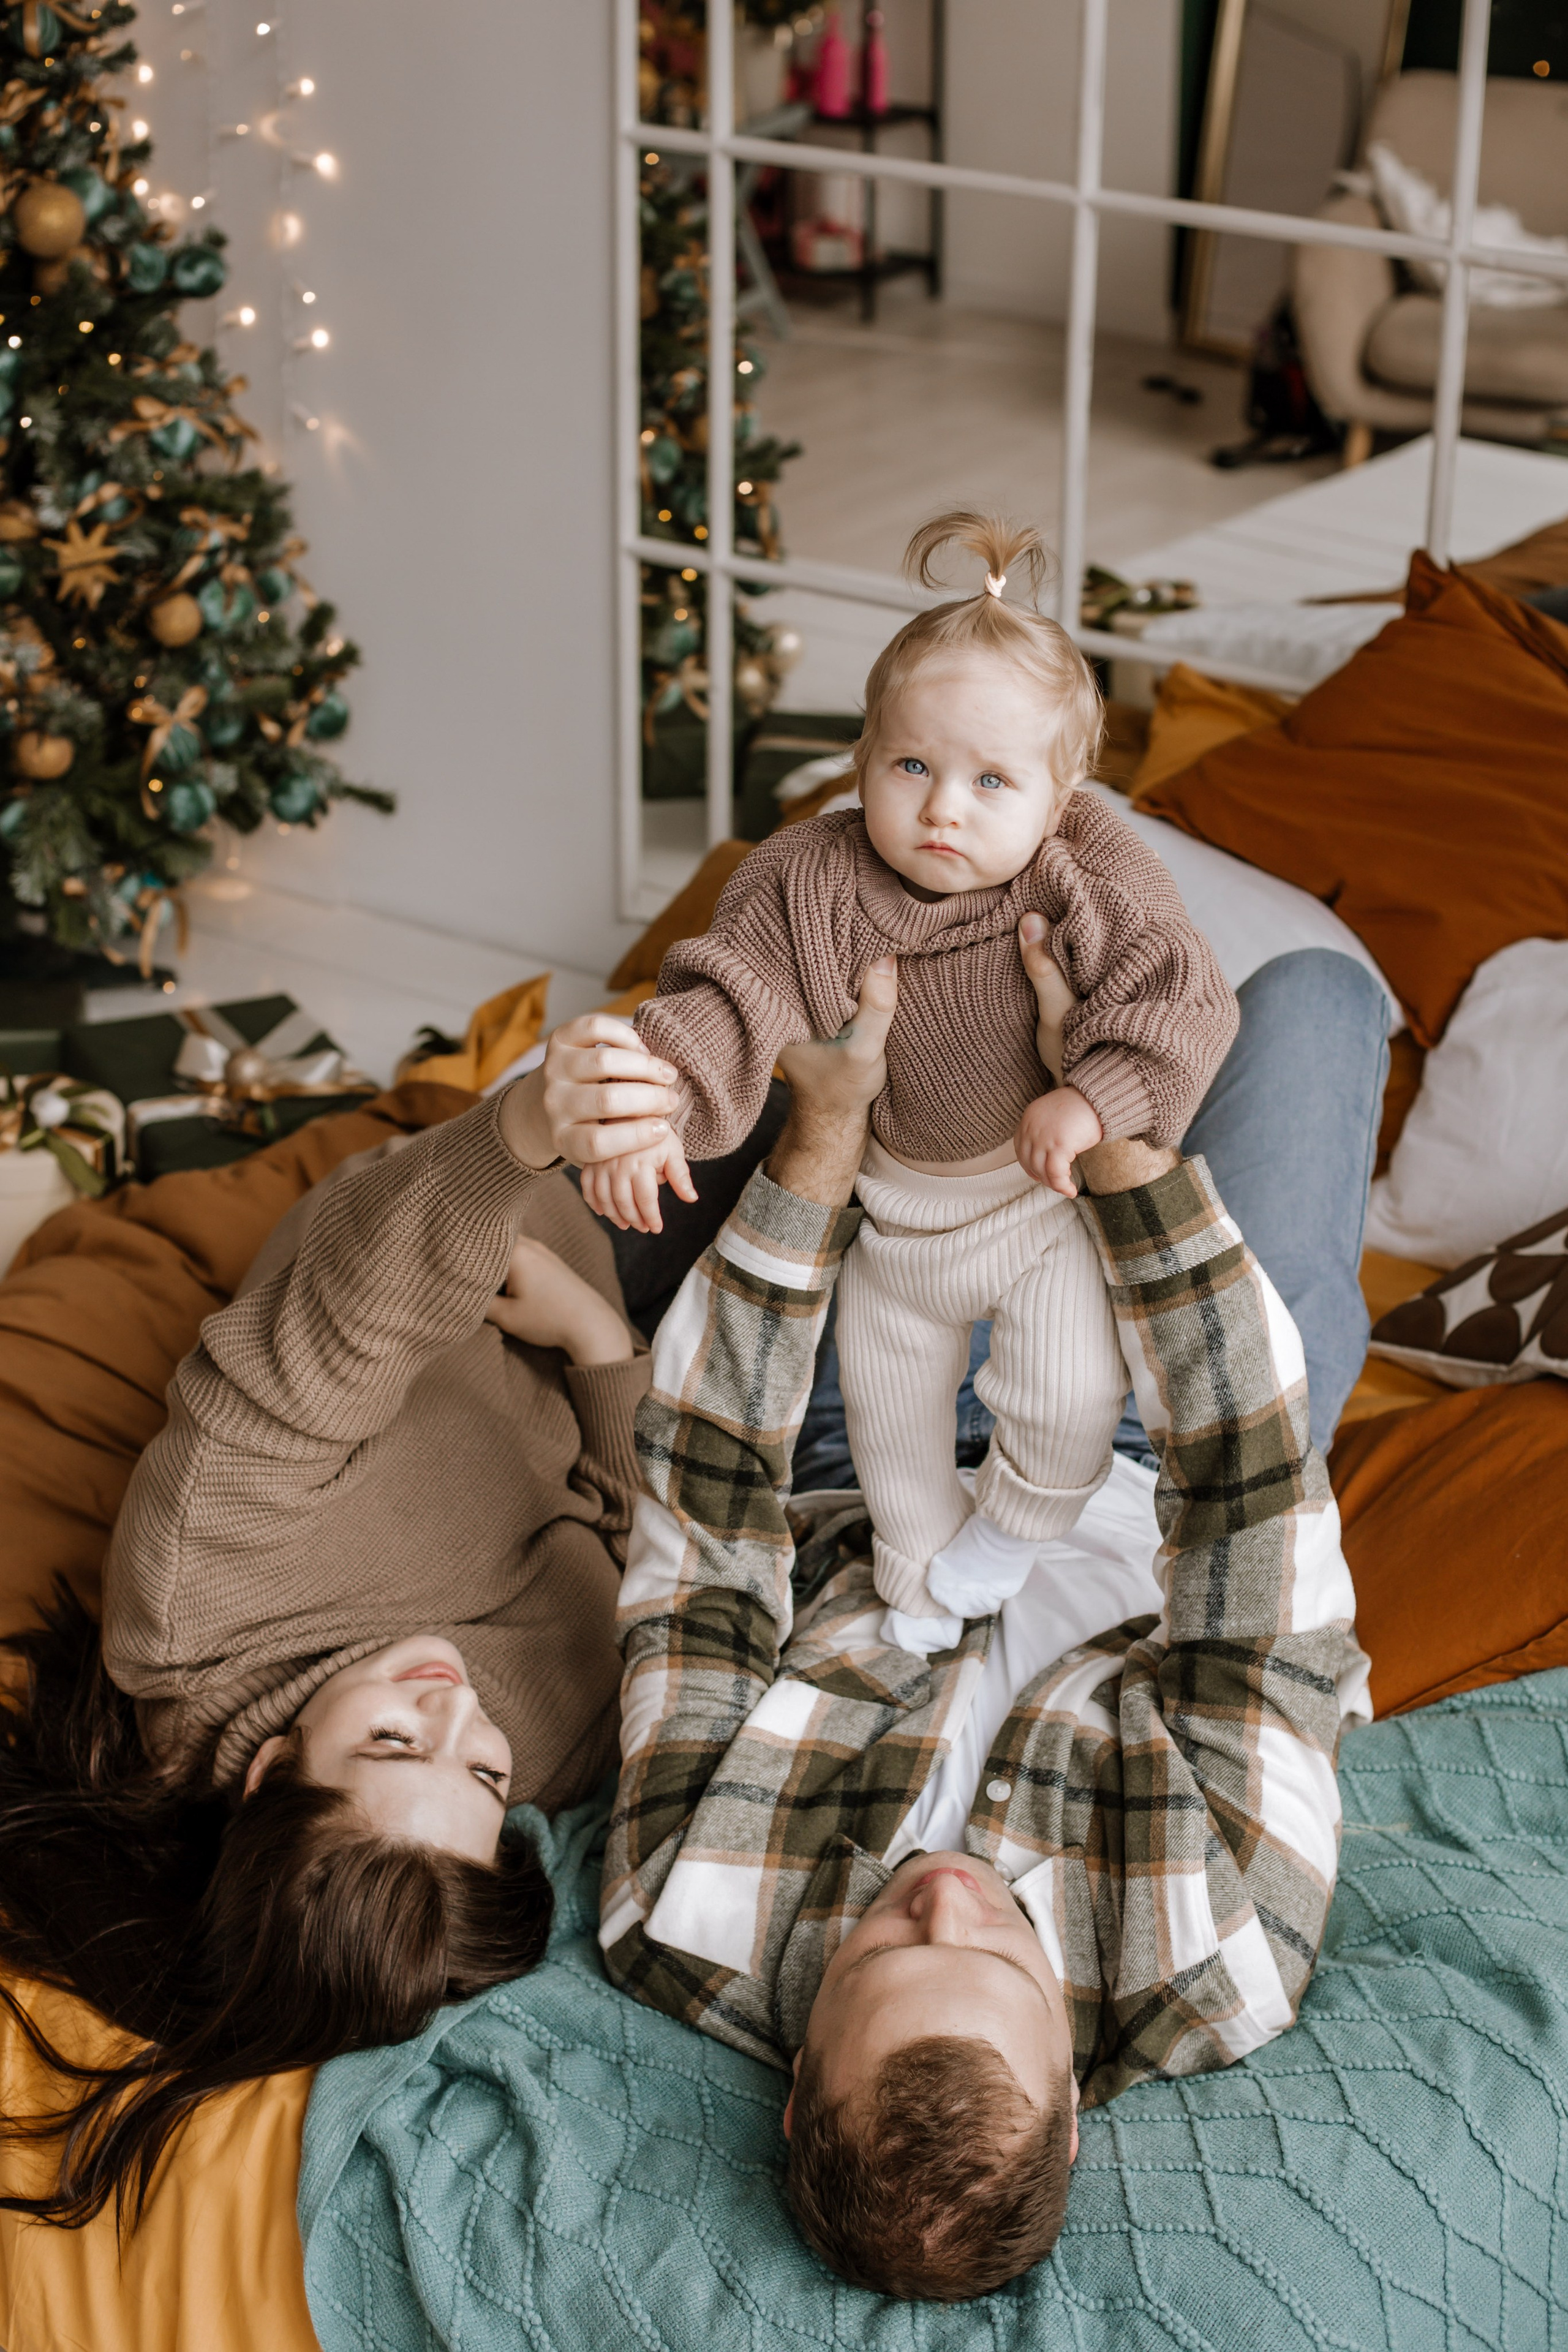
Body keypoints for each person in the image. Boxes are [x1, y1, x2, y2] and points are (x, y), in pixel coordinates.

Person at [599, 958, 1372, 2302]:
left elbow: (705, 1538)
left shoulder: (684, 1911)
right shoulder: (1216, 1959)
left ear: (793, 2093)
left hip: (866, 1441)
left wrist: (823, 1134)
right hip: (1163, 1460)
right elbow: (1255, 1533)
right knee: (1316, 998)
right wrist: (1122, 1151)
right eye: (998, 1950)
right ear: (1071, 2100)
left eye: (890, 1947)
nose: (946, 1895)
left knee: (899, 984)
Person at [0, 1023, 688, 2228]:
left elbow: (334, 1326)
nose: (453, 1704)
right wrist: (597, 1344)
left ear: (269, 1772)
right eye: (478, 1772)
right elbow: (668, 1564)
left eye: (386, 1743)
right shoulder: (548, 1758)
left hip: (492, 1202)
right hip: (635, 1321)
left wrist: (521, 1128)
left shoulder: (201, 1586)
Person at [587, 511, 1240, 1654]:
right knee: (891, 1437)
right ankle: (918, 1579)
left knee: (1071, 1400)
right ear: (860, 760)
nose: (944, 807)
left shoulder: (1085, 867)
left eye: (994, 779)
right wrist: (661, 1101)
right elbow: (729, 991)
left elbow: (1181, 992)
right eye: (912, 765)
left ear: (1063, 791)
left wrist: (1090, 1100)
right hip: (890, 1223)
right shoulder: (814, 874)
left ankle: (1014, 1533)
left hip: (1039, 1210)